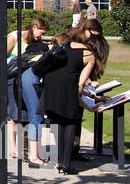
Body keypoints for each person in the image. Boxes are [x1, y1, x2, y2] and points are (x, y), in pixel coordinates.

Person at [36, 23, 110, 174]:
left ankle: (59, 162)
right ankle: (66, 163)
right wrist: (88, 106)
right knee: (70, 121)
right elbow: (80, 84)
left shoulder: (62, 45)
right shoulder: (89, 55)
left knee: (57, 120)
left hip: (51, 84)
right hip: (69, 85)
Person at [5, 17, 50, 166]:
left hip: (26, 78)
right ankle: (14, 147)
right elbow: (1, 57)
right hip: (12, 76)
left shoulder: (35, 42)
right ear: (34, 27)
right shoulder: (15, 37)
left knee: (25, 113)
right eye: (40, 33)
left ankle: (26, 147)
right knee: (14, 114)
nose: (41, 37)